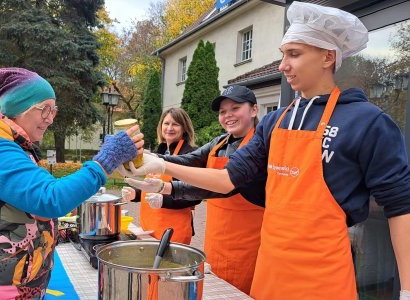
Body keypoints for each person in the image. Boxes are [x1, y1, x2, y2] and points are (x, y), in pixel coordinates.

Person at [118, 2, 410, 300]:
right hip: (269, 271)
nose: (283, 65)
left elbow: (400, 206)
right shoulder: (275, 121)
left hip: (322, 277)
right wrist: (162, 166)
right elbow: (227, 179)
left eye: (294, 54)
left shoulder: (367, 121)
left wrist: (407, 289)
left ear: (328, 56)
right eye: (284, 54)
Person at [0, 67, 143, 299]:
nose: (50, 118)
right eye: (43, 109)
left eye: (53, 109)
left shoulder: (13, 148)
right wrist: (105, 161)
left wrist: (63, 230)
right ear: (19, 108)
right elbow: (50, 198)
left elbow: (20, 209)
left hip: (9, 281)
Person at [123, 85, 264, 294]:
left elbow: (219, 188)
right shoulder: (220, 142)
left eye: (235, 108)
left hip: (247, 246)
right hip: (216, 240)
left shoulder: (258, 148)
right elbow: (191, 159)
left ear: (254, 110)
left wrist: (166, 187)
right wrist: (152, 158)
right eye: (223, 112)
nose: (228, 116)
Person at [121, 108, 201, 244]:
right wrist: (136, 194)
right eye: (166, 123)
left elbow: (194, 196)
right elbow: (154, 187)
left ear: (184, 128)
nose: (169, 128)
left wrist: (163, 201)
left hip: (174, 232)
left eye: (175, 124)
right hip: (149, 228)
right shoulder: (160, 151)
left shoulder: (189, 155)